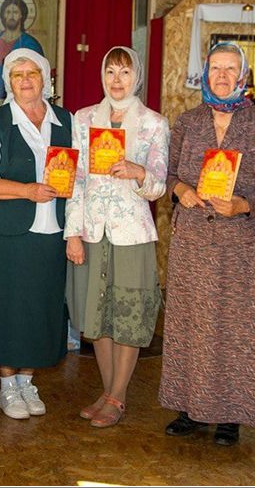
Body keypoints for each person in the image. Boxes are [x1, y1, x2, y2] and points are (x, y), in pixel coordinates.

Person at [158, 41, 255, 447]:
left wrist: (244, 204)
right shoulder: (188, 122)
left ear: (244, 77)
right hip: (192, 240)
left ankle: (231, 415)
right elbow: (167, 176)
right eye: (215, 69)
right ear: (204, 74)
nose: (223, 76)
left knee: (236, 329)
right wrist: (182, 191)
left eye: (231, 69)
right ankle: (188, 408)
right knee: (188, 325)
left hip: (242, 245)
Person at [65, 46, 168, 428]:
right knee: (96, 316)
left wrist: (139, 173)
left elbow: (158, 185)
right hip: (92, 231)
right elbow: (75, 180)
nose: (117, 80)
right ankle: (108, 391)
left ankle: (118, 396)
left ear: (136, 76)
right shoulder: (84, 118)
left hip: (132, 234)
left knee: (128, 315)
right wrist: (73, 233)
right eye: (110, 72)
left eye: (124, 72)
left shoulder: (153, 123)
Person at [0, 48, 72, 420]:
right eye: (17, 74)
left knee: (41, 308)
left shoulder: (65, 119)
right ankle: (7, 387)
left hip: (52, 230)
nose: (26, 80)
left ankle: (28, 382)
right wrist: (27, 190)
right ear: (8, 82)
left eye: (32, 73)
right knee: (7, 307)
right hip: (9, 232)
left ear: (45, 78)